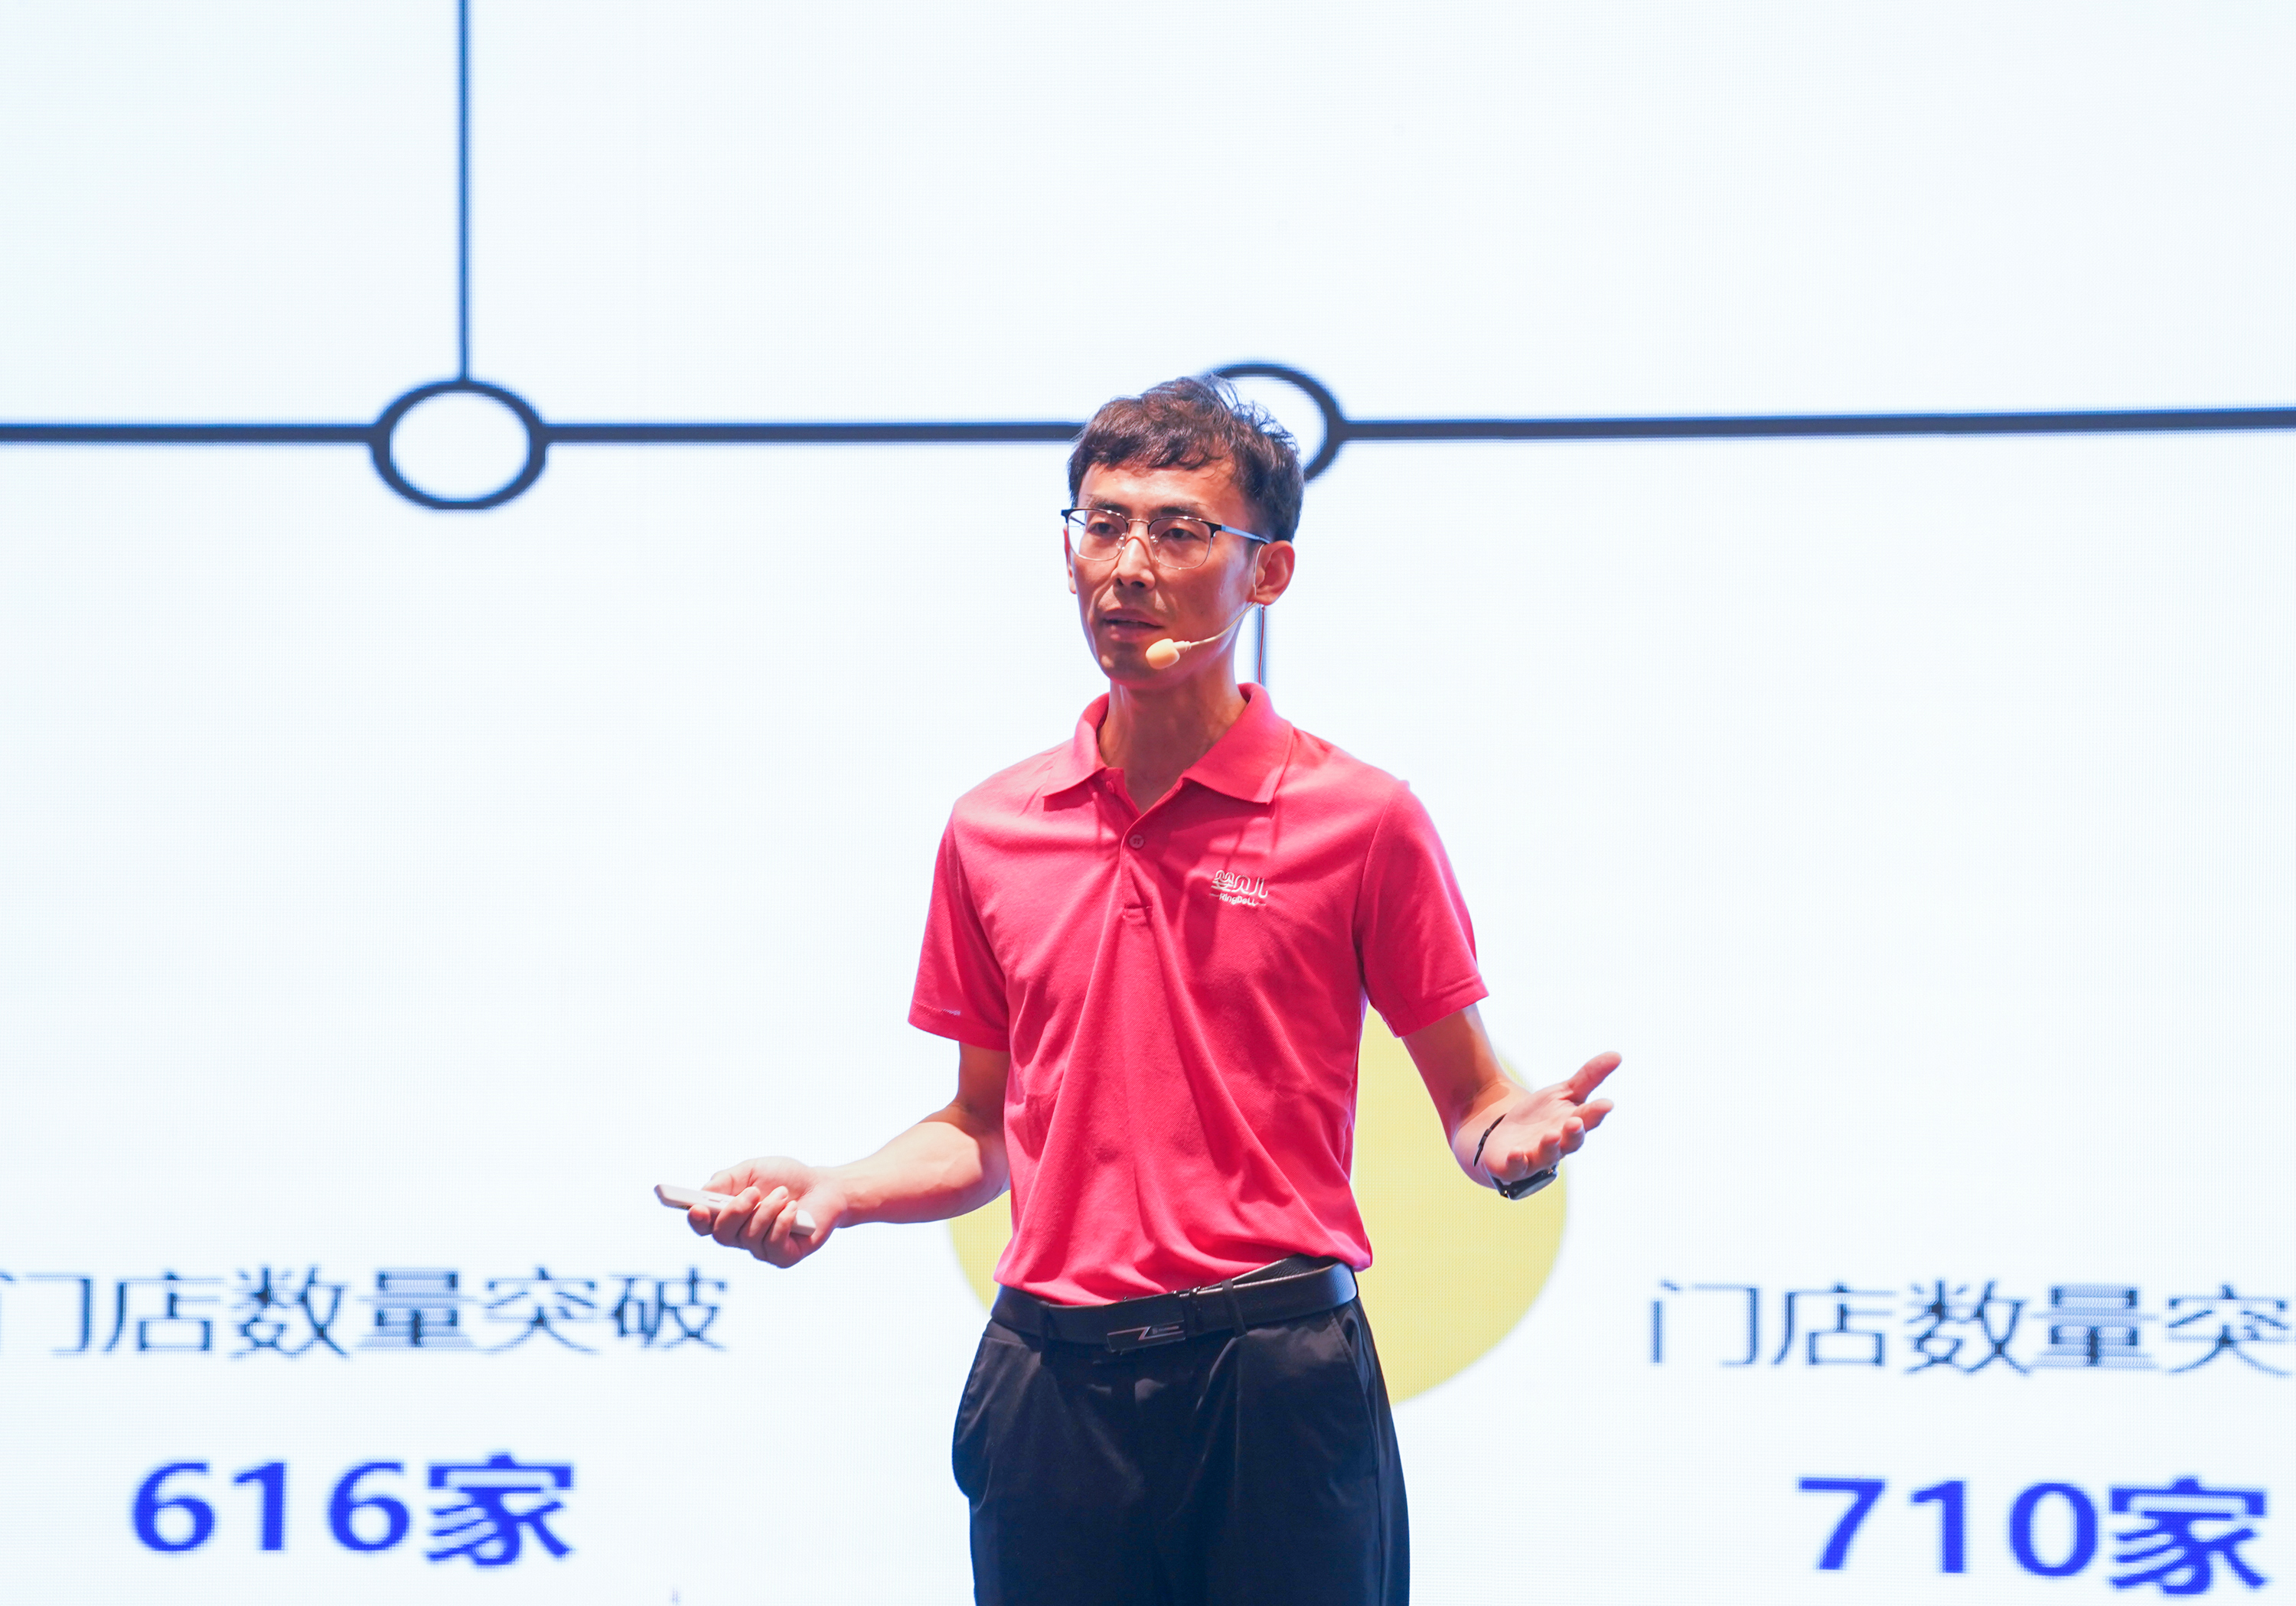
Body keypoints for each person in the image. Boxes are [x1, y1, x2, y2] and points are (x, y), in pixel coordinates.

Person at [685, 376, 1618, 1605]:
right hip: (1048, 1380)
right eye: (1103, 524)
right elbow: (982, 1126)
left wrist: (1513, 1144)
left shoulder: (1361, 818)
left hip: (1273, 1374)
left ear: (1266, 572)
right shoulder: (993, 827)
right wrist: (835, 1189)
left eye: (1179, 531)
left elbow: (1476, 1101)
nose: (1128, 565)